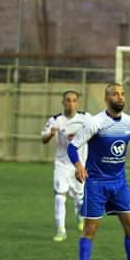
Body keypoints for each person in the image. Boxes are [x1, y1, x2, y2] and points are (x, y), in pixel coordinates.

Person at [67, 83, 130, 260]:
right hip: (96, 183)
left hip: (119, 183)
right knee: (90, 229)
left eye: (122, 94)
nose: (120, 97)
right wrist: (79, 165)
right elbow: (72, 147)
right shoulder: (95, 123)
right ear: (106, 99)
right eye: (115, 94)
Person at [40, 90, 90, 242]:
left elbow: (98, 131)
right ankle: (61, 230)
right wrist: (50, 133)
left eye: (74, 100)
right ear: (63, 102)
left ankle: (81, 218)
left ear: (78, 102)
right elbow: (43, 139)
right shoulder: (56, 120)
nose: (71, 103)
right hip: (62, 164)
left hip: (79, 165)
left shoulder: (86, 118)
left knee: (80, 198)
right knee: (59, 196)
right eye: (68, 100)